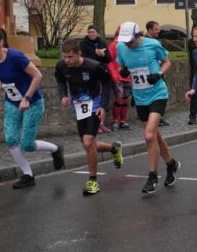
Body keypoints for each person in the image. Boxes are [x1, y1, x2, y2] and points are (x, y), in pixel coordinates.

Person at [0, 27, 64, 188]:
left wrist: (26, 98)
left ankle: (55, 149)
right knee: (11, 139)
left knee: (27, 144)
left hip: (32, 102)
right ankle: (28, 175)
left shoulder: (15, 56)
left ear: (0, 42)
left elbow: (37, 75)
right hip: (12, 103)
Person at [115, 20, 179, 194]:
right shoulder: (121, 47)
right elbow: (120, 65)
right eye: (125, 41)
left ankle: (152, 177)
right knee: (154, 135)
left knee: (149, 134)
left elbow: (167, 62)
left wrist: (158, 74)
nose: (128, 44)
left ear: (138, 35)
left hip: (157, 93)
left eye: (130, 41)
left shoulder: (152, 44)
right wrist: (122, 70)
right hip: (140, 96)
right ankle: (171, 163)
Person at [55, 38, 123, 196]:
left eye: (70, 57)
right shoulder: (61, 66)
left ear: (79, 53)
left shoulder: (94, 66)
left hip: (94, 103)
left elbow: (107, 83)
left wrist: (103, 106)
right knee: (88, 144)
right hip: (78, 105)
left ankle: (93, 180)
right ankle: (113, 148)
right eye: (64, 57)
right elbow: (60, 80)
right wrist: (63, 95)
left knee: (87, 141)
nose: (67, 60)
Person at [80, 24, 113, 131]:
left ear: (97, 33)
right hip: (89, 74)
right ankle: (94, 124)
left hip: (101, 73)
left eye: (93, 32)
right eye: (89, 32)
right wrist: (96, 54)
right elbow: (84, 59)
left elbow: (108, 59)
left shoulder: (102, 43)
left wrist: (102, 55)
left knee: (102, 98)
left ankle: (101, 123)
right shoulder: (83, 44)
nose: (91, 34)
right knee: (93, 98)